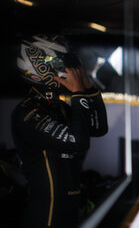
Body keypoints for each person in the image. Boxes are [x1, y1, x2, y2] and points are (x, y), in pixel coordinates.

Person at [12, 35, 108, 228]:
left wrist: (88, 87)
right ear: (38, 68)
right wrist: (78, 94)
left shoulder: (59, 107)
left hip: (70, 209)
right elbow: (79, 142)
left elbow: (99, 129)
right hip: (45, 214)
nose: (66, 70)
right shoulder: (27, 112)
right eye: (59, 64)